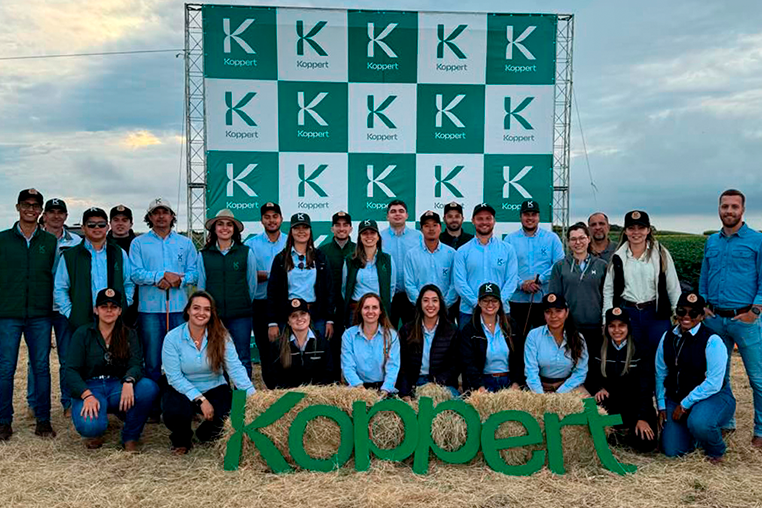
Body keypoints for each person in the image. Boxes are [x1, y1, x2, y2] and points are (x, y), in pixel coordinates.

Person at [699, 189, 762, 447]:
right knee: (719, 376)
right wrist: (703, 304)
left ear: (742, 210)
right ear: (719, 209)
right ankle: (726, 422)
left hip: (745, 320)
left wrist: (754, 312)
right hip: (715, 319)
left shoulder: (756, 240)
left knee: (757, 378)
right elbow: (704, 275)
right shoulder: (712, 242)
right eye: (725, 206)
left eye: (734, 206)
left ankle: (760, 430)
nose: (729, 211)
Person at [161, 291, 256, 455]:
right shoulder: (172, 338)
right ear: (188, 310)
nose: (201, 313)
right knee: (174, 410)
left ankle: (204, 434)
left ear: (212, 313)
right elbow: (174, 377)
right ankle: (181, 439)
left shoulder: (221, 336)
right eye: (196, 308)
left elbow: (235, 369)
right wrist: (201, 400)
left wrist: (254, 398)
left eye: (207, 309)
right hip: (182, 387)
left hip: (214, 385)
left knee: (229, 414)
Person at [65, 288, 159, 451]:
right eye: (104, 306)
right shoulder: (83, 334)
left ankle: (130, 436)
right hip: (90, 387)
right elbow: (71, 370)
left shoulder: (129, 334)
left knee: (148, 388)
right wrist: (86, 395)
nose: (109, 310)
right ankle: (96, 429)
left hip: (118, 385)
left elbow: (136, 364)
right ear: (96, 310)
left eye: (113, 307)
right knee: (90, 426)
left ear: (120, 311)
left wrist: (129, 381)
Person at [129, 198, 198, 418]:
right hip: (149, 311)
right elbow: (135, 273)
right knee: (152, 360)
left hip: (178, 309)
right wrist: (159, 276)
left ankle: (184, 404)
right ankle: (153, 407)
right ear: (149, 217)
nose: (161, 216)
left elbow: (195, 273)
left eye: (165, 212)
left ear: (172, 216)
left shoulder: (185, 243)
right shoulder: (138, 243)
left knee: (182, 358)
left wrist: (179, 280)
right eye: (156, 213)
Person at [0, 189, 58, 440]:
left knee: (41, 367)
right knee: (5, 369)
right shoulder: (2, 240)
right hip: (7, 313)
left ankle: (43, 420)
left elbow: (56, 278)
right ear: (17, 207)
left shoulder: (49, 242)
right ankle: (3, 421)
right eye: (26, 204)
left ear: (40, 210)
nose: (31, 209)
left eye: (35, 205)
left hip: (40, 314)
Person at [656, 292, 735, 462]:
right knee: (672, 450)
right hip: (676, 398)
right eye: (682, 311)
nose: (686, 316)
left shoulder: (713, 340)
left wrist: (685, 404)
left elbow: (714, 383)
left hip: (712, 397)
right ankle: (696, 437)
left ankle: (716, 450)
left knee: (700, 423)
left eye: (693, 313)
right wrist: (661, 405)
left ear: (701, 315)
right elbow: (660, 373)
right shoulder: (667, 337)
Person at [27, 198, 81, 419]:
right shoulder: (34, 239)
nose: (56, 216)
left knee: (68, 358)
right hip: (39, 307)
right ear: (45, 215)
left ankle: (68, 401)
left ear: (66, 216)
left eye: (60, 212)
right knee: (37, 359)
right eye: (52, 212)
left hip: (65, 308)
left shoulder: (76, 241)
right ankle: (34, 403)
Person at [602, 210, 681, 363]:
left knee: (660, 356)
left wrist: (678, 313)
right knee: (633, 357)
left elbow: (673, 286)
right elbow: (608, 291)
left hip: (656, 314)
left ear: (648, 230)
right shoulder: (618, 256)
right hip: (628, 313)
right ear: (625, 231)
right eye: (631, 228)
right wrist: (606, 319)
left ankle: (658, 381)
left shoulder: (661, 253)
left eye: (641, 228)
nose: (636, 232)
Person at [585, 307, 657, 452]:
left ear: (628, 327)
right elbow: (589, 375)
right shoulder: (597, 349)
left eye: (621, 325)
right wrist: (598, 388)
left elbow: (646, 386)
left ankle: (632, 429)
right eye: (612, 326)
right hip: (610, 404)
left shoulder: (641, 350)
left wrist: (642, 417)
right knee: (602, 442)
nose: (617, 330)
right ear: (606, 328)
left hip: (634, 405)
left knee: (645, 444)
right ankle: (614, 431)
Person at [198, 209, 257, 379]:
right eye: (220, 224)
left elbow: (251, 285)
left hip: (241, 316)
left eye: (229, 224)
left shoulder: (246, 252)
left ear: (234, 229)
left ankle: (242, 395)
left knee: (242, 357)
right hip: (215, 317)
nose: (225, 228)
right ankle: (224, 393)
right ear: (214, 229)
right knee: (219, 357)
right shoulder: (204, 255)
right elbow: (201, 287)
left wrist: (241, 302)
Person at [54, 207, 135, 332]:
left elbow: (128, 283)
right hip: (81, 323)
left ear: (107, 227)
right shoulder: (70, 256)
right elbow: (60, 288)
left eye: (101, 224)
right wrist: (71, 313)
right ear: (83, 228)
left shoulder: (119, 253)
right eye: (91, 225)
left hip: (114, 321)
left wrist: (123, 305)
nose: (97, 228)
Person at [505, 200, 564, 345]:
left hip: (543, 300)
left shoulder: (552, 238)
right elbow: (507, 269)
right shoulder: (509, 239)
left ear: (538, 217)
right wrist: (521, 284)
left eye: (533, 214)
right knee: (516, 341)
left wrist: (540, 279)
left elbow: (559, 264)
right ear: (520, 216)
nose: (530, 218)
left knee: (544, 342)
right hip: (517, 300)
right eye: (526, 214)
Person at [268, 213, 334, 341]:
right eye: (297, 228)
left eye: (305, 227)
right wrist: (272, 322)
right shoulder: (281, 258)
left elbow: (329, 289)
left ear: (310, 231)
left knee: (317, 351)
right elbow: (272, 291)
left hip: (316, 316)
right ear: (291, 232)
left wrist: (330, 319)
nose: (301, 231)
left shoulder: (320, 257)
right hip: (288, 316)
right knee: (287, 352)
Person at [453, 203, 518, 330]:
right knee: (467, 343)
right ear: (473, 221)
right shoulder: (462, 251)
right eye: (480, 219)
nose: (484, 222)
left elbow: (511, 281)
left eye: (488, 218)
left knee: (503, 343)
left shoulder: (507, 250)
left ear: (494, 221)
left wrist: (496, 304)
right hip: (469, 312)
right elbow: (460, 283)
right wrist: (477, 304)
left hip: (501, 312)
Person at [243, 202, 286, 389]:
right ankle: (271, 389)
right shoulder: (251, 244)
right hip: (260, 303)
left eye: (275, 216)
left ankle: (286, 387)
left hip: (285, 303)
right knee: (265, 348)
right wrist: (269, 276)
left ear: (281, 219)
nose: (271, 220)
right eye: (267, 217)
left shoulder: (290, 241)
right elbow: (246, 274)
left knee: (286, 347)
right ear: (261, 220)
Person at [549, 222, 607, 355]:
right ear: (568, 242)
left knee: (593, 363)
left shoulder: (602, 265)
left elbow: (607, 296)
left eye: (582, 238)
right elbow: (555, 298)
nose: (578, 242)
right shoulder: (560, 266)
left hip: (595, 326)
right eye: (573, 239)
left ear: (589, 239)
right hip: (569, 326)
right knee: (571, 361)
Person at [397, 285, 460, 399]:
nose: (430, 305)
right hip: (414, 383)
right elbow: (402, 365)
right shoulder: (407, 330)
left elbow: (455, 365)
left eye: (434, 300)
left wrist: (436, 383)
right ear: (420, 304)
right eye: (425, 300)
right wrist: (405, 393)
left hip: (442, 385)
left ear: (440, 304)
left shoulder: (451, 330)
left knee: (458, 403)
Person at [460, 283, 522, 393]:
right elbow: (468, 363)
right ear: (479, 303)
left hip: (508, 381)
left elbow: (519, 357)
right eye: (485, 300)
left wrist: (516, 383)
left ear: (500, 303)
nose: (490, 304)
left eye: (494, 300)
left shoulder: (511, 326)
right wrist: (479, 387)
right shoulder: (470, 330)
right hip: (483, 382)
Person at [524, 293, 589, 394]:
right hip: (540, 387)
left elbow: (580, 372)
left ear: (566, 312)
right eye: (548, 312)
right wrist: (540, 395)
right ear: (544, 314)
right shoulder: (534, 335)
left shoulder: (578, 338)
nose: (553, 316)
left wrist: (560, 393)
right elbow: (531, 371)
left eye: (558, 311)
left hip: (569, 387)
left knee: (589, 402)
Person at [319, 211, 355, 381]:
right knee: (332, 345)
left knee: (354, 345)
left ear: (351, 228)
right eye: (338, 225)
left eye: (345, 225)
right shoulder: (323, 251)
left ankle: (353, 382)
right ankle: (333, 382)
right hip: (331, 308)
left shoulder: (358, 249)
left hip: (353, 307)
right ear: (332, 228)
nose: (341, 228)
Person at [341, 293, 401, 394]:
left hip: (384, 388)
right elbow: (348, 366)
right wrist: (361, 389)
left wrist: (384, 391)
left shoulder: (391, 335)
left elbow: (393, 368)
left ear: (380, 311)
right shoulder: (349, 335)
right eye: (366, 308)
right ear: (360, 310)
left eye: (374, 307)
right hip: (357, 389)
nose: (370, 311)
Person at [270, 298, 333, 388]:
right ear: (288, 321)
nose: (299, 318)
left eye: (303, 314)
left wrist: (315, 391)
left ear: (309, 316)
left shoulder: (322, 343)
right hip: (288, 394)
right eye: (294, 316)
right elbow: (273, 376)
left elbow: (329, 373)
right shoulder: (278, 345)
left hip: (317, 393)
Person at [342, 219, 396, 324]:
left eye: (372, 233)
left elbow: (391, 287)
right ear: (359, 237)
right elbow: (345, 288)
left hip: (379, 311)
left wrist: (381, 306)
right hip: (356, 310)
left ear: (378, 236)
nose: (369, 236)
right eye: (365, 233)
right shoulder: (350, 260)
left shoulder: (387, 259)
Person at [403, 211, 457, 312]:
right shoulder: (411, 255)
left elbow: (454, 284)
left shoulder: (452, 254)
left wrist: (443, 305)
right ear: (421, 230)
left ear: (440, 228)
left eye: (435, 225)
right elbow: (409, 284)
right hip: (419, 310)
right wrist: (422, 304)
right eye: (427, 226)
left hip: (446, 310)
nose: (431, 229)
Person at [380, 200, 423, 327]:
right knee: (387, 332)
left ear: (407, 215)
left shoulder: (419, 237)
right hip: (388, 296)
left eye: (401, 211)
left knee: (413, 333)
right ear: (387, 216)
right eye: (393, 211)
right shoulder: (379, 237)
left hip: (412, 295)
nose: (397, 214)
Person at [108, 205, 139, 329]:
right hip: (108, 301)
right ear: (110, 223)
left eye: (124, 220)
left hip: (136, 303)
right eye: (116, 220)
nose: (120, 224)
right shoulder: (103, 244)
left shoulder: (138, 245)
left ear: (131, 224)